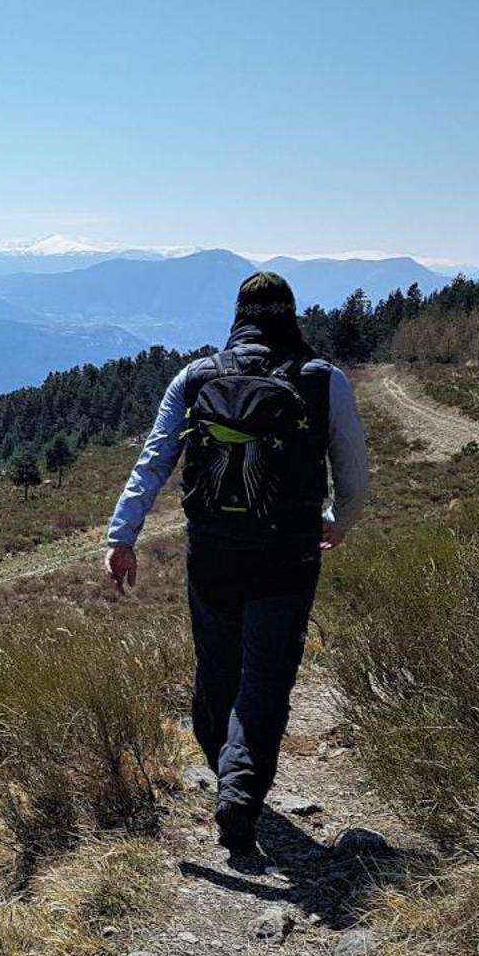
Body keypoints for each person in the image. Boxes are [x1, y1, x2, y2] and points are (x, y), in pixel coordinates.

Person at [103, 271, 367, 857]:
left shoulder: (197, 377)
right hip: (289, 551)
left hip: (214, 549)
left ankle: (226, 772)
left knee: (217, 669)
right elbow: (352, 469)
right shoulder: (322, 379)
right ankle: (240, 795)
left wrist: (123, 535)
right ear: (290, 316)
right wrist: (338, 519)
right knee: (267, 676)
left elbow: (155, 458)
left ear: (238, 316)